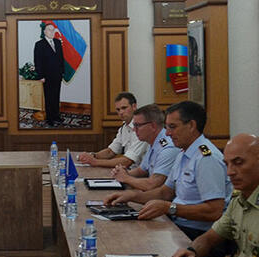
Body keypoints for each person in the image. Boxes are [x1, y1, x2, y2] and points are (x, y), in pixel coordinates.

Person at [105, 101, 232, 241]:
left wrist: (169, 208)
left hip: (199, 234)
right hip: (179, 224)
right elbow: (165, 192)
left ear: (191, 126)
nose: (167, 133)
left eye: (172, 127)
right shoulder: (184, 152)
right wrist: (131, 196)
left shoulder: (206, 158)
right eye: (166, 127)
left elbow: (214, 211)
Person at [111, 104, 179, 191]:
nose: (134, 129)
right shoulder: (153, 142)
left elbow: (152, 185)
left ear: (153, 126)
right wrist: (124, 173)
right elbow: (142, 170)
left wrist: (126, 178)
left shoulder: (168, 149)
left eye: (137, 125)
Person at [78, 92, 148, 169]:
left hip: (140, 173)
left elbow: (127, 161)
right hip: (128, 171)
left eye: (124, 108)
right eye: (118, 109)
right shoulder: (123, 128)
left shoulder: (142, 128)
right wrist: (92, 155)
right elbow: (110, 151)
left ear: (134, 106)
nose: (121, 112)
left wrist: (95, 162)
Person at [33, 21, 64, 126]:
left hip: (57, 75)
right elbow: (37, 61)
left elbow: (61, 59)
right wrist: (41, 76)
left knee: (56, 96)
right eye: (49, 30)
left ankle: (56, 116)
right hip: (46, 76)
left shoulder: (58, 42)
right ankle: (49, 119)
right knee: (49, 97)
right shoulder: (39, 44)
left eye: (53, 30)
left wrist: (62, 72)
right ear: (45, 32)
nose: (52, 32)